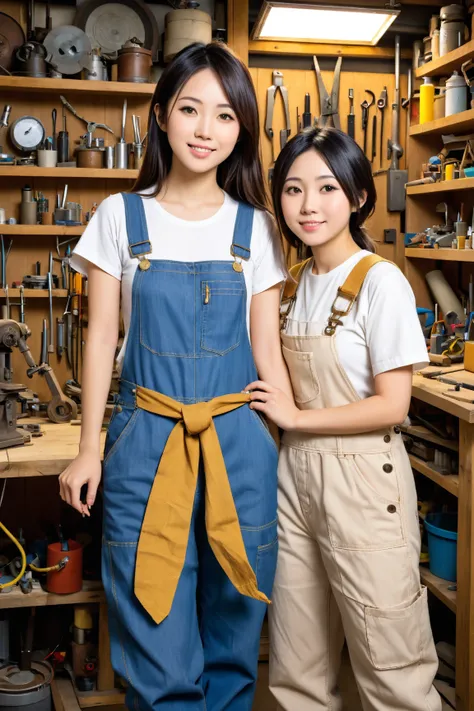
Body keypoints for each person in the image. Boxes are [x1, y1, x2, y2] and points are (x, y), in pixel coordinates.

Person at [59, 42, 291, 711]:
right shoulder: (118, 217)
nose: (204, 129)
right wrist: (87, 447)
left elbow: (267, 356)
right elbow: (100, 337)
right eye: (190, 109)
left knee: (234, 628)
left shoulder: (259, 230)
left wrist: (293, 439)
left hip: (239, 446)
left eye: (223, 115)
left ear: (241, 128)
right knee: (154, 630)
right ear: (161, 115)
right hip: (144, 443)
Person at [246, 127, 442, 711]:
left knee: (390, 662)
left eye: (328, 188)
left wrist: (294, 419)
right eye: (294, 189)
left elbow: (394, 405)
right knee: (296, 663)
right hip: (295, 480)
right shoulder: (292, 285)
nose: (309, 206)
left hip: (362, 481)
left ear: (357, 196)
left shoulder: (380, 282)